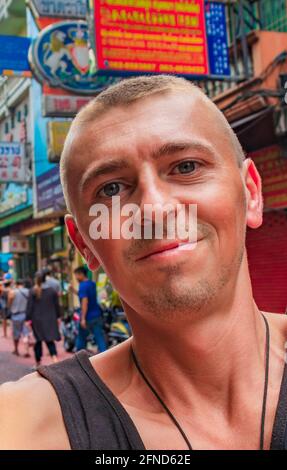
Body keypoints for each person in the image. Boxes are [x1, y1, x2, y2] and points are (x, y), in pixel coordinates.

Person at [1, 75, 287, 450]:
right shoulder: (25, 425)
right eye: (112, 189)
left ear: (250, 193)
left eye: (186, 167)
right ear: (83, 243)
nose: (154, 209)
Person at [25, 270, 61, 368]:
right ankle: (54, 358)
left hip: (37, 320)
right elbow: (57, 306)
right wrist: (58, 317)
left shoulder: (33, 291)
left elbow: (30, 307)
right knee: (50, 340)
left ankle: (38, 362)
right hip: (50, 319)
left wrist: (27, 319)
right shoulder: (52, 291)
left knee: (38, 341)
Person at [73, 266, 107, 353]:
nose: (76, 278)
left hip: (88, 317)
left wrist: (83, 318)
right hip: (97, 315)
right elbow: (86, 296)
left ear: (81, 274)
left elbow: (85, 301)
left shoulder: (82, 286)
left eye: (76, 275)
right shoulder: (92, 283)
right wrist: (73, 291)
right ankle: (105, 356)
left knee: (81, 339)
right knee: (100, 338)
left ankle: (79, 359)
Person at [7, 279, 30, 357]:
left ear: (16, 284)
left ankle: (16, 349)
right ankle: (27, 351)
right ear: (23, 284)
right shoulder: (28, 291)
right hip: (25, 315)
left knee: (16, 334)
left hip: (15, 315)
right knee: (25, 333)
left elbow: (9, 304)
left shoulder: (12, 292)